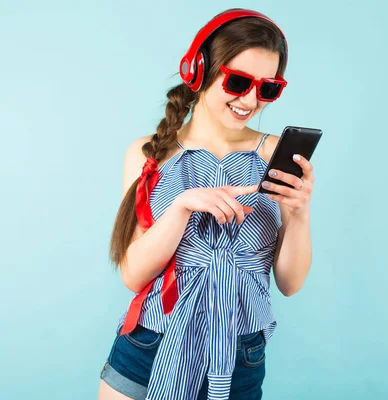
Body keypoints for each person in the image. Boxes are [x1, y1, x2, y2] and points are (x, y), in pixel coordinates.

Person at [97, 8, 314, 400]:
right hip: (151, 344)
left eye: (267, 88)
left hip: (237, 354)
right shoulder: (149, 154)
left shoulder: (275, 157)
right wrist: (180, 206)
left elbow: (290, 283)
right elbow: (133, 275)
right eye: (238, 81)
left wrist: (298, 215)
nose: (250, 100)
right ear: (199, 71)